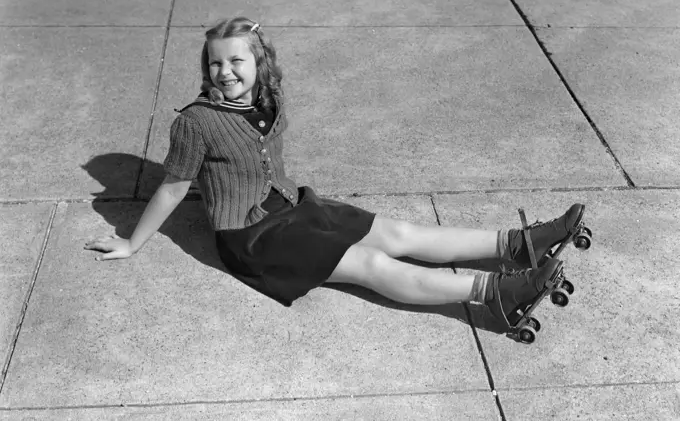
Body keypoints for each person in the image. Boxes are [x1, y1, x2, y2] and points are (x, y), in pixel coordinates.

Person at [85, 16, 586, 331]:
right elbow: (173, 187)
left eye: (236, 60)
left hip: (293, 208)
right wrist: (132, 242)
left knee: (398, 233)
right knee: (372, 266)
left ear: (259, 64)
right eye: (215, 64)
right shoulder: (196, 122)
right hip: (252, 237)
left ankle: (517, 245)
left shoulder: (268, 99)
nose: (225, 72)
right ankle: (496, 295)